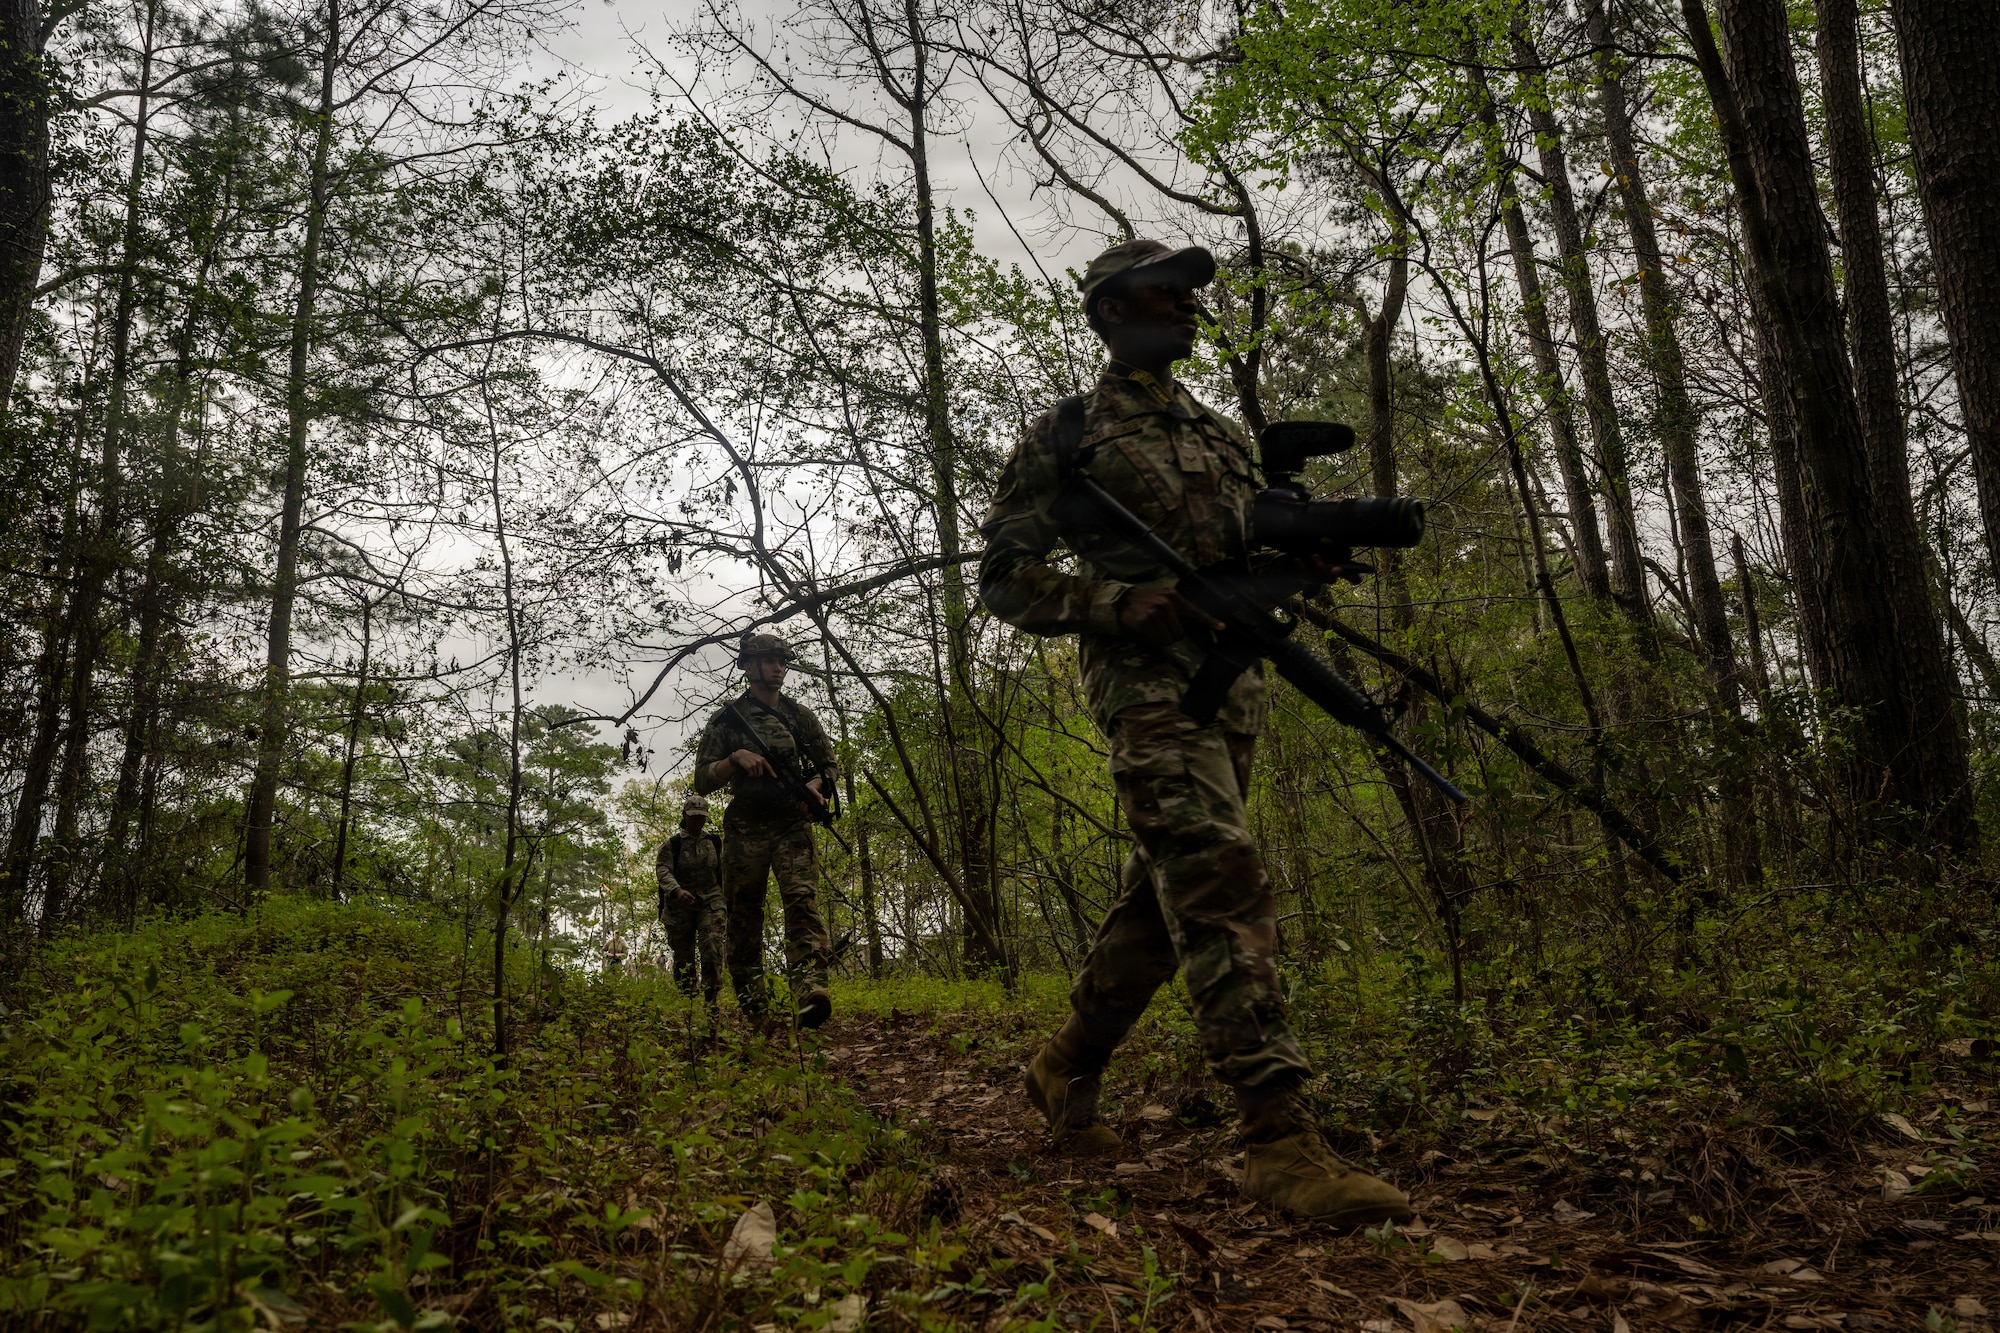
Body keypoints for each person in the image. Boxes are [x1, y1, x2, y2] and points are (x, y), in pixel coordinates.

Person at [977, 237, 1413, 1225]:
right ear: (1109, 311)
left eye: (1188, 294)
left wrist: (1307, 557)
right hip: (1144, 691)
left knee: (1158, 903)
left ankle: (1061, 1068)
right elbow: (1002, 577)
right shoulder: (1065, 434)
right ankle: (1276, 1136)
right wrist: (1115, 602)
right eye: (1161, 292)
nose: (1183, 306)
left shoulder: (1221, 437)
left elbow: (1238, 554)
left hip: (1230, 690)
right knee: (1217, 878)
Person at [692, 633, 840, 1030]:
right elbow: (702, 779)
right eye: (770, 660)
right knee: (743, 915)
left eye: (782, 661)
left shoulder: (800, 716)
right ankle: (753, 1006)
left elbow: (829, 764)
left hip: (792, 822)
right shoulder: (728, 719)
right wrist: (734, 759)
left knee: (801, 901)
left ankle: (809, 989)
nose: (779, 667)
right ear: (748, 666)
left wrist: (816, 786)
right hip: (745, 828)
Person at [656, 793, 725, 1005]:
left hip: (710, 902)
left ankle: (711, 1000)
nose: (697, 820)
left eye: (701, 817)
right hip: (679, 906)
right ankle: (688, 1003)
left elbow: (726, 871)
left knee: (712, 946)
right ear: (685, 816)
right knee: (683, 957)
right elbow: (663, 869)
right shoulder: (672, 844)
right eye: (693, 816)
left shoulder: (714, 842)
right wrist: (676, 890)